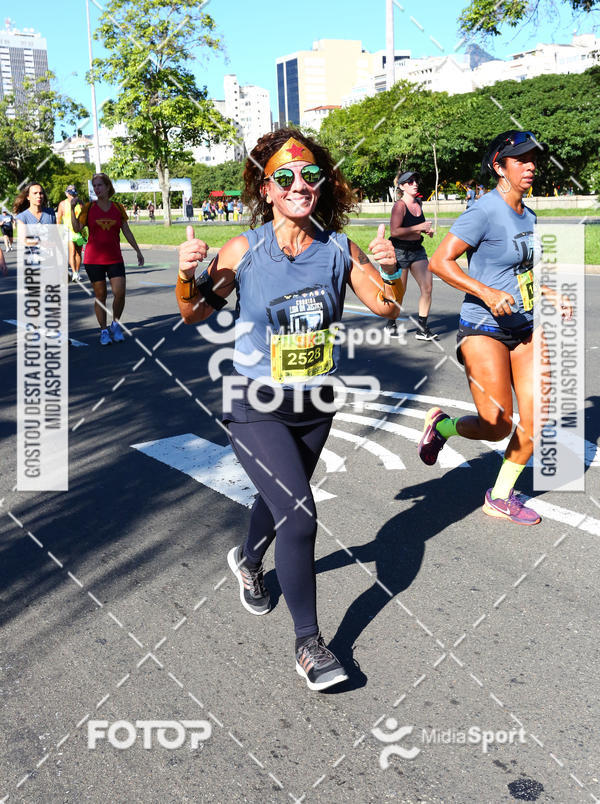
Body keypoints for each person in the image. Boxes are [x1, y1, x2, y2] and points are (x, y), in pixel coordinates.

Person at [176, 130, 404, 691]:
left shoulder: (338, 248)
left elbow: (388, 307)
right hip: (254, 403)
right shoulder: (244, 249)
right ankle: (310, 644)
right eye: (285, 178)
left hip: (315, 404)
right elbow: (194, 313)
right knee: (299, 514)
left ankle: (248, 561)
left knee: (280, 499)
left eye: (309, 176)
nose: (299, 185)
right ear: (267, 188)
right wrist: (186, 273)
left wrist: (392, 268)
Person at [418, 131, 571, 525]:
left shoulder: (529, 215)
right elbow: (440, 262)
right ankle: (443, 426)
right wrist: (485, 292)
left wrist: (549, 292)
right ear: (499, 167)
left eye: (534, 158)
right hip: (483, 328)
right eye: (521, 159)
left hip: (526, 327)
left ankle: (500, 495)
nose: (531, 165)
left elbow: (520, 271)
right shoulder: (482, 211)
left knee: (538, 416)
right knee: (496, 424)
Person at [70, 172, 144, 346]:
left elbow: (126, 230)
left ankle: (115, 324)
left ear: (108, 187)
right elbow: (77, 228)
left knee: (120, 293)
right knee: (100, 295)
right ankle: (104, 330)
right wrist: (73, 210)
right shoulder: (88, 207)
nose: (97, 189)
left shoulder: (118, 207)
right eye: (94, 186)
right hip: (93, 259)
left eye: (100, 185)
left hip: (114, 258)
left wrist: (138, 251)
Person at [387, 169, 437, 341]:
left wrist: (426, 231)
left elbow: (417, 226)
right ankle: (391, 323)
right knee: (400, 292)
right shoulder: (399, 206)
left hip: (417, 250)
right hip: (400, 251)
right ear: (402, 186)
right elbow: (394, 231)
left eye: (416, 181)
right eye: (410, 182)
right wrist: (419, 227)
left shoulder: (418, 203)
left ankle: (422, 328)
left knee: (427, 287)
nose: (414, 184)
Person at [57, 185, 87, 281]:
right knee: (72, 251)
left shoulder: (80, 203)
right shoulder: (62, 204)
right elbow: (58, 219)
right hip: (68, 231)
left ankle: (77, 272)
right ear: (66, 194)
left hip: (79, 231)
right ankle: (74, 272)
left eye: (73, 193)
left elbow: (84, 217)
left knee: (78, 253)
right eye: (70, 193)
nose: (72, 195)